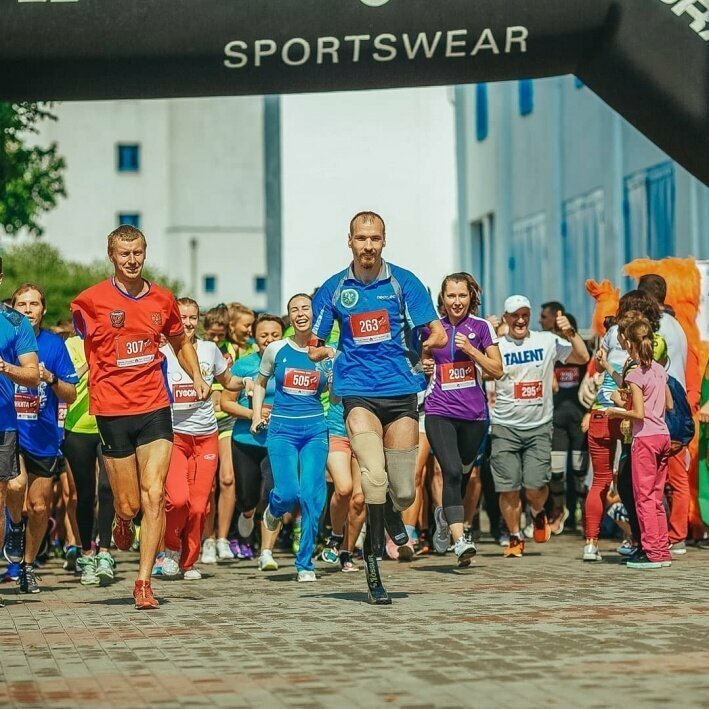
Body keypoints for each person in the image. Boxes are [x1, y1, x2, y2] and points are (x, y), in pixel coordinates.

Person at [310, 211, 447, 604]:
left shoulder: (405, 282)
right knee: (372, 475)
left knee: (403, 493)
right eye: (361, 238)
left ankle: (391, 516)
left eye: (375, 239)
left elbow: (435, 331)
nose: (367, 246)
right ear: (349, 240)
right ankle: (370, 563)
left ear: (384, 241)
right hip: (357, 392)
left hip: (402, 392)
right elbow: (316, 342)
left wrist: (425, 346)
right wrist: (330, 354)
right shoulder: (336, 288)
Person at [71, 225, 210, 610]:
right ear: (111, 256)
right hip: (112, 409)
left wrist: (197, 375)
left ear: (145, 254)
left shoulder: (162, 300)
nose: (131, 261)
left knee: (154, 494)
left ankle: (144, 581)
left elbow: (180, 340)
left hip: (154, 406)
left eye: (137, 253)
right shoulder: (90, 301)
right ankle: (120, 518)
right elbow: (82, 338)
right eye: (123, 254)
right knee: (130, 504)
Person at [491, 295, 589, 558]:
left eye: (525, 314)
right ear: (506, 317)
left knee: (535, 487)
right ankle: (514, 536)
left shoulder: (546, 341)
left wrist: (571, 332)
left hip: (538, 426)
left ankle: (537, 511)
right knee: (508, 487)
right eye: (515, 315)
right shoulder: (496, 346)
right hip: (505, 425)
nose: (520, 320)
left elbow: (582, 356)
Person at [421, 273, 502, 567]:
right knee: (451, 471)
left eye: (462, 296)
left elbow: (497, 369)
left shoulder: (480, 328)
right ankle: (459, 540)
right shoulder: (432, 328)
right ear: (442, 298)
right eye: (451, 296)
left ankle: (445, 516)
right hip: (438, 410)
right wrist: (423, 365)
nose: (457, 302)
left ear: (471, 298)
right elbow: (416, 362)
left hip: (475, 415)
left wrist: (471, 350)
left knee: (465, 473)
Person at [160, 298, 243, 580]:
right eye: (182, 316)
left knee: (199, 505)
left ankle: (188, 561)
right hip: (173, 437)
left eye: (193, 317)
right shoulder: (162, 352)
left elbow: (228, 380)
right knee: (178, 501)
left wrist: (249, 381)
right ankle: (170, 550)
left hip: (206, 436)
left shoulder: (210, 350)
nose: (188, 322)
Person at [5, 285, 77, 594]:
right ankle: (14, 530)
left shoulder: (53, 345)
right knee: (14, 485)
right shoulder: (7, 335)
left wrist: (50, 378)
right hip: (10, 429)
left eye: (34, 304)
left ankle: (27, 565)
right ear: (13, 306)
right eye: (22, 303)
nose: (28, 309)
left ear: (43, 310)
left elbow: (71, 394)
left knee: (38, 507)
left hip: (44, 438)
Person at [254, 294, 329, 582]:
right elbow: (260, 383)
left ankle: (305, 563)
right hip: (282, 430)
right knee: (287, 493)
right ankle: (273, 511)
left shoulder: (325, 352)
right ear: (289, 317)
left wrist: (335, 375)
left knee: (311, 496)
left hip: (314, 430)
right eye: (294, 309)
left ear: (315, 314)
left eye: (305, 308)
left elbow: (333, 395)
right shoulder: (276, 349)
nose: (301, 313)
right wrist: (257, 414)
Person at [606, 318, 673, 569]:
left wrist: (616, 410)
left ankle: (651, 552)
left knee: (643, 498)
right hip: (663, 436)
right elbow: (669, 404)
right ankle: (661, 549)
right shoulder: (659, 369)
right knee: (656, 497)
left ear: (630, 344)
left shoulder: (635, 375)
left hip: (645, 438)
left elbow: (639, 414)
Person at [220, 313, 284, 571]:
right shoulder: (245, 364)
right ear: (255, 338)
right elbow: (225, 402)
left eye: (275, 335)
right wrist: (253, 414)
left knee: (272, 494)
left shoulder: (291, 363)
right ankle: (246, 513)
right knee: (247, 498)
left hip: (279, 441)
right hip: (246, 440)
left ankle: (266, 551)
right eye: (264, 335)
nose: (269, 340)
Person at [637, 274, 690, 555]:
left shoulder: (660, 329)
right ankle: (671, 533)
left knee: (672, 474)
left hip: (667, 401)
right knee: (670, 473)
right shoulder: (676, 325)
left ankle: (675, 534)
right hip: (675, 399)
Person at [63, 332, 116, 586]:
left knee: (107, 488)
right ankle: (86, 553)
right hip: (78, 428)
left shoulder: (112, 340)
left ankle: (104, 552)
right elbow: (67, 381)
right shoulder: (70, 345)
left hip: (109, 423)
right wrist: (91, 362)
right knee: (85, 495)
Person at [549, 312, 588, 533]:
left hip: (579, 419)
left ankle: (583, 513)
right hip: (556, 418)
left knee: (579, 471)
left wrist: (590, 412)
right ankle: (558, 510)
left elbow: (594, 381)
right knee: (556, 472)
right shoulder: (553, 352)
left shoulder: (582, 355)